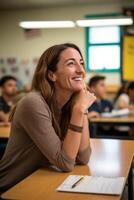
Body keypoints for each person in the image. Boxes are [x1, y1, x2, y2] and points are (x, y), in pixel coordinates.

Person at [0, 43, 96, 192]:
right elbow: (65, 163)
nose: (81, 70)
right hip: (11, 188)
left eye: (81, 63)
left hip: (39, 182)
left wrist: (81, 109)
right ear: (52, 75)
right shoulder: (33, 103)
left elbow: (83, 157)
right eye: (71, 64)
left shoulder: (70, 105)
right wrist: (79, 110)